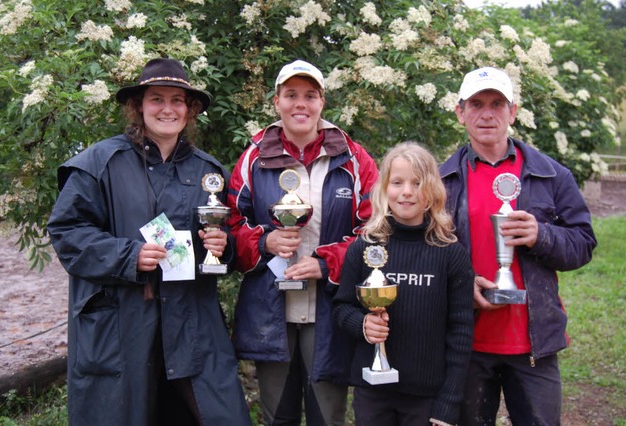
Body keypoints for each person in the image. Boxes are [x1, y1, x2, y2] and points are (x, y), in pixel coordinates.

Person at [47, 58, 251, 425]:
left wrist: (224, 245)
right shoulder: (100, 163)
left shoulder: (209, 172)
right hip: (122, 322)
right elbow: (67, 231)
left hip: (192, 321)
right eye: (157, 99)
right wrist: (129, 256)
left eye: (177, 101)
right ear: (139, 106)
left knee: (219, 413)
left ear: (190, 111)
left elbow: (229, 239)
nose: (167, 109)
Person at [440, 66, 598, 425]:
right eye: (476, 104)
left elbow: (584, 243)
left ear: (512, 111)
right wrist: (463, 285)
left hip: (532, 347)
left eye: (497, 103)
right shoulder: (440, 180)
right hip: (465, 344)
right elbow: (422, 252)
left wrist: (542, 235)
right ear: (460, 112)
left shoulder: (553, 175)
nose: (487, 113)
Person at [227, 59, 379, 425]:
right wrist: (265, 242)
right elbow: (231, 225)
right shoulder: (253, 158)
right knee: (277, 415)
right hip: (270, 309)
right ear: (277, 101)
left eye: (310, 95)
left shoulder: (353, 158)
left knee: (327, 415)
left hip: (331, 307)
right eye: (291, 94)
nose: (301, 104)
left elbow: (375, 230)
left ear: (322, 102)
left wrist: (328, 263)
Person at [333, 142, 474, 426]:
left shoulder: (450, 253)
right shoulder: (365, 247)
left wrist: (447, 404)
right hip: (373, 394)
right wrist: (362, 325)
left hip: (426, 397)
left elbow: (461, 332)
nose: (407, 191)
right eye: (397, 182)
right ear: (384, 189)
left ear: (432, 192)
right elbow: (341, 307)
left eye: (417, 183)